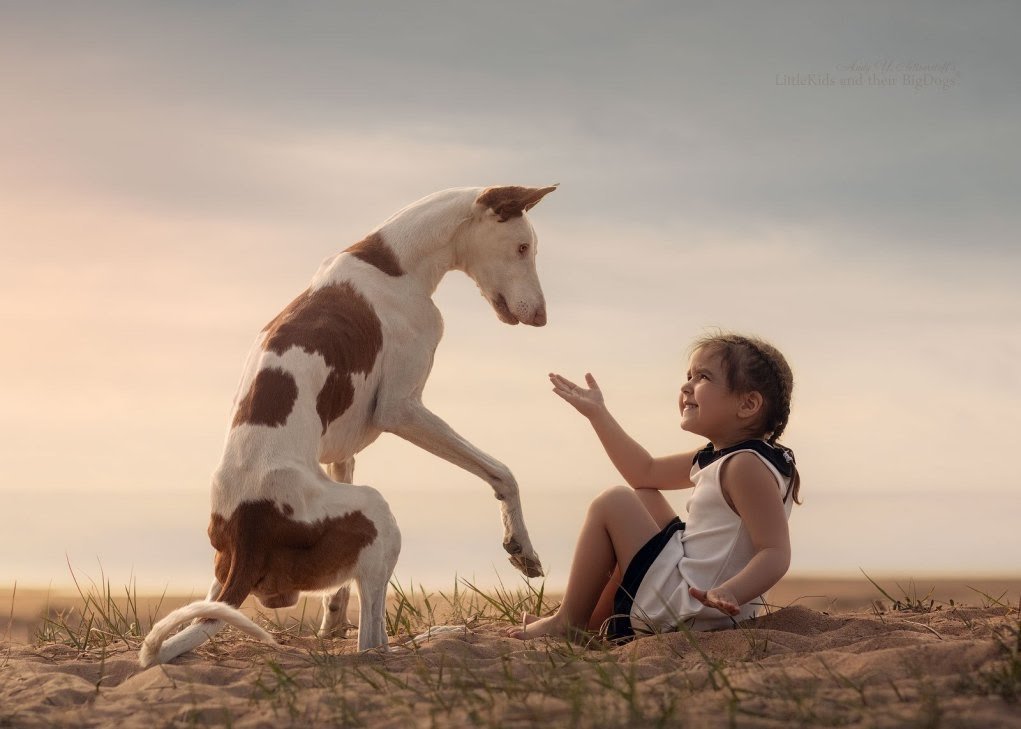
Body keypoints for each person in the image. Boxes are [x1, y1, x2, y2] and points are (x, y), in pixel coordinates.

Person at [507, 333, 801, 641]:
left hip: (694, 608)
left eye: (703, 377)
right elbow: (644, 472)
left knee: (613, 502)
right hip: (693, 596)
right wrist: (598, 413)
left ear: (748, 404)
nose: (687, 385)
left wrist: (730, 591)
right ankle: (592, 621)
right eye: (688, 376)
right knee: (644, 496)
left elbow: (775, 552)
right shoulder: (726, 456)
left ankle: (567, 623)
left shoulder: (744, 466)